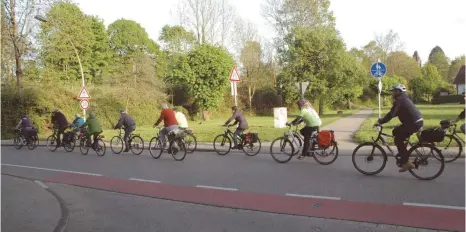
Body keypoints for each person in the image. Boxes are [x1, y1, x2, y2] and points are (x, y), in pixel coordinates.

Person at [375, 84, 423, 172]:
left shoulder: (399, 101)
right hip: (415, 122)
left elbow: (392, 114)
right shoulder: (403, 99)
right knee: (396, 132)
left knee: (397, 139)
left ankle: (406, 162)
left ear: (398, 91)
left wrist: (381, 121)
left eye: (393, 91)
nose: (392, 93)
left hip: (413, 123)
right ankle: (403, 152)